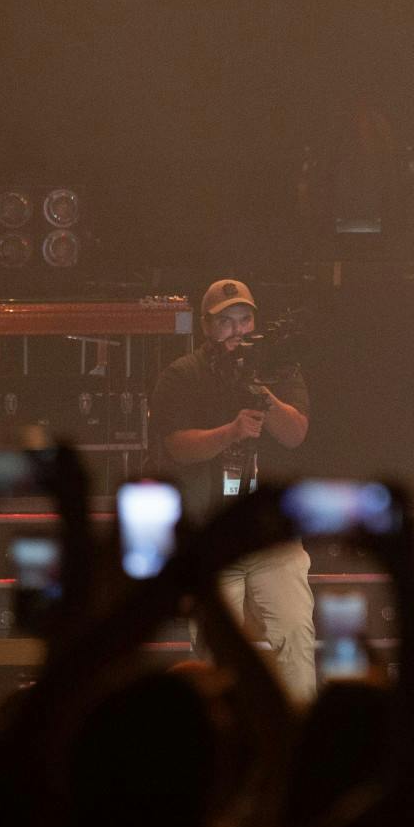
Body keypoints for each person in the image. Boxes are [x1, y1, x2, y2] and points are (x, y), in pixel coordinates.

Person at [149, 279, 317, 701]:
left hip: (269, 535)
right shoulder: (184, 374)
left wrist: (264, 396)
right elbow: (176, 445)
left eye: (244, 319)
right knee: (212, 645)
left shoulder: (279, 369)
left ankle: (300, 734)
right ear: (207, 325)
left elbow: (295, 432)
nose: (237, 330)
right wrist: (231, 431)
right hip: (213, 532)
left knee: (295, 632)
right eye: (226, 322)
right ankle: (214, 733)